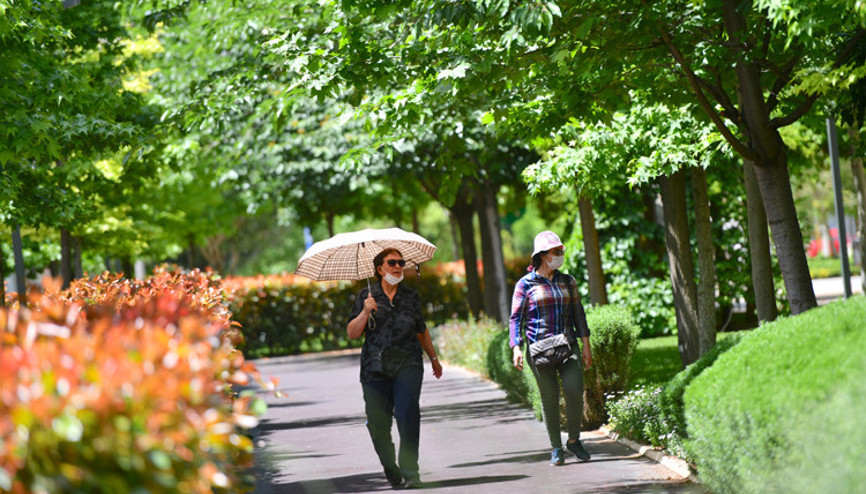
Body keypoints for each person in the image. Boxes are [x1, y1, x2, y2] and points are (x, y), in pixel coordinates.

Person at [346, 248, 443, 489]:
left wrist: (433, 357)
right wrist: (365, 311)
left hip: (407, 363)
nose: (398, 267)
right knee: (378, 424)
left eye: (401, 263)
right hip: (374, 368)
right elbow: (352, 333)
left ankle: (411, 471)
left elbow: (421, 329)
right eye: (392, 263)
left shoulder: (410, 296)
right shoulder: (365, 296)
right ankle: (390, 466)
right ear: (380, 269)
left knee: (408, 412)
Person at [509, 230, 594, 466]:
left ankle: (574, 440)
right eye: (556, 252)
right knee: (549, 398)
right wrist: (516, 347)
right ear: (544, 256)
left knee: (574, 389)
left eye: (561, 251)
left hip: (568, 345)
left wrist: (586, 345)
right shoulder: (525, 284)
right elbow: (515, 318)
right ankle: (556, 447)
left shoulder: (568, 281)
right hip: (540, 349)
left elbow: (579, 314)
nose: (560, 255)